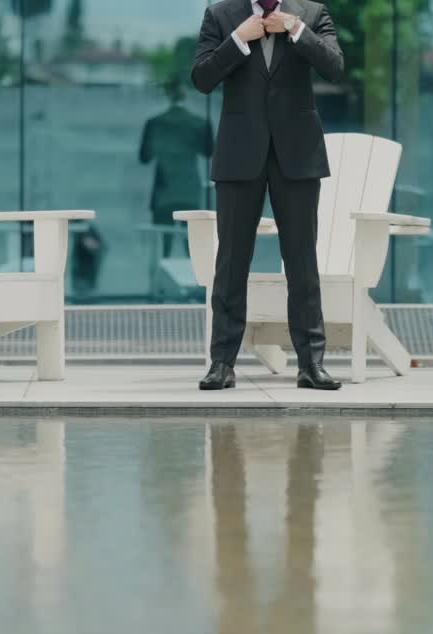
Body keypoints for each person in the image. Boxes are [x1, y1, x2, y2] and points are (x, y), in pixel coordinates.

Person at [189, 0, 345, 391]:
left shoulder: (312, 14)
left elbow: (334, 66)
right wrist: (238, 39)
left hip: (298, 155)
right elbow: (202, 79)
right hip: (239, 154)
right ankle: (222, 364)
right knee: (231, 261)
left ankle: (311, 365)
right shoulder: (220, 15)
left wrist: (296, 29)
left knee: (302, 262)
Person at [139, 78, 213, 257]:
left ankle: (161, 277)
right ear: (186, 95)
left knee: (161, 251)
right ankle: (196, 275)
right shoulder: (199, 123)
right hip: (189, 192)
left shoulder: (155, 123)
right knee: (194, 250)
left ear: (166, 95)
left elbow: (145, 157)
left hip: (164, 193)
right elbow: (209, 152)